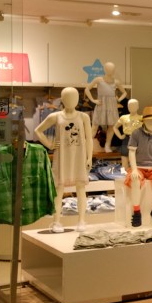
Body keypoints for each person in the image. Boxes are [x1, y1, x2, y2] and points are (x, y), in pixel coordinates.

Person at [35, 86, 93, 232]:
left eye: (73, 97)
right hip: (62, 156)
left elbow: (89, 138)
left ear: (78, 100)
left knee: (80, 187)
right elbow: (38, 130)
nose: (70, 101)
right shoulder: (56, 116)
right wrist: (50, 144)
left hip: (79, 156)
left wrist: (89, 157)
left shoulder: (83, 117)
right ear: (62, 99)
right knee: (59, 188)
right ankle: (56, 222)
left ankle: (81, 221)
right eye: (67, 98)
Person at [85, 61, 127, 152]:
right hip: (101, 104)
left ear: (114, 70)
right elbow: (87, 89)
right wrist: (93, 100)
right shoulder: (99, 80)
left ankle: (107, 145)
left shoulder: (116, 82)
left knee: (112, 126)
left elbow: (124, 92)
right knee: (95, 125)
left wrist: (119, 100)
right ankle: (87, 145)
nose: (110, 70)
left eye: (111, 69)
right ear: (105, 69)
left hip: (112, 106)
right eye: (108, 68)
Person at [111, 98, 142, 170]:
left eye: (134, 105)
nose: (131, 107)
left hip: (138, 140)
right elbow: (115, 127)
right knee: (124, 156)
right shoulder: (123, 117)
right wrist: (120, 136)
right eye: (130, 106)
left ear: (138, 106)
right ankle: (125, 173)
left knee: (137, 157)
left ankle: (135, 172)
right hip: (126, 138)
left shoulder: (141, 118)